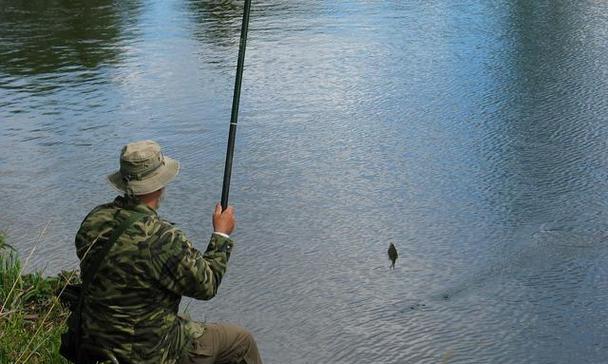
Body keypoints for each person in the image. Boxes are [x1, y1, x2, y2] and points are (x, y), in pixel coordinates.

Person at [74, 140, 262, 364]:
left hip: (94, 343)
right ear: (160, 184)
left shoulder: (94, 220)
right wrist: (221, 235)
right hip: (148, 354)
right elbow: (207, 285)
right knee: (241, 341)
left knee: (183, 321)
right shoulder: (162, 238)